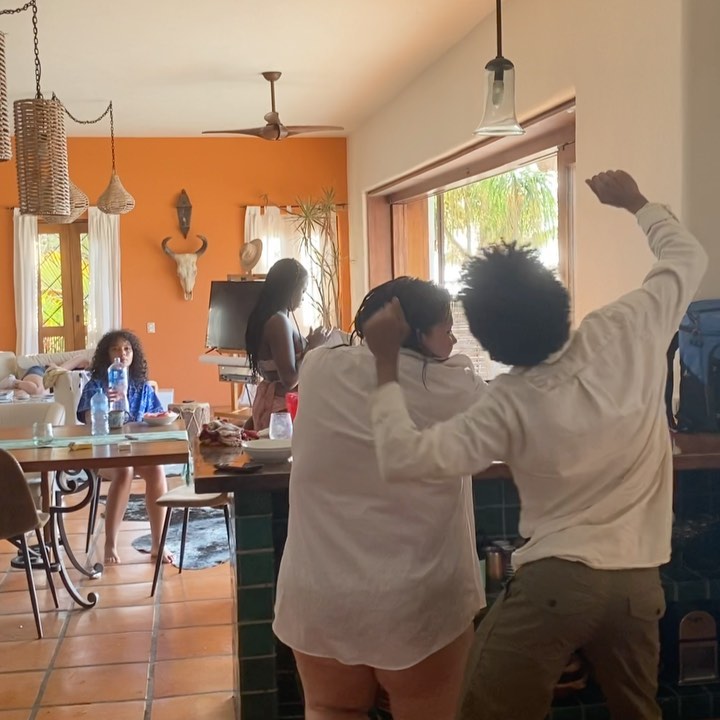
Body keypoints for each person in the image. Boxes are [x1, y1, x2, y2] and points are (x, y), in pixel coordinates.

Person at [362, 170, 708, 720]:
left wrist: (385, 366)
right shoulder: (627, 327)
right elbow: (687, 256)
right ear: (559, 300)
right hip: (640, 585)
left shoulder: (508, 401)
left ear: (489, 342)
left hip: (556, 585)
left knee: (483, 710)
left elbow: (404, 459)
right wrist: (636, 202)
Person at [273, 277, 486, 720]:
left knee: (331, 709)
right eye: (447, 330)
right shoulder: (453, 387)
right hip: (414, 603)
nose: (452, 341)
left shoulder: (319, 367)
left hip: (320, 594)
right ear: (417, 335)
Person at [76, 330, 169, 565]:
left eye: (127, 349)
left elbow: (157, 416)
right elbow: (87, 421)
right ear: (106, 354)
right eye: (116, 349)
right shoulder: (96, 386)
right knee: (124, 470)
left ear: (133, 354)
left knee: (157, 470)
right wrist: (104, 404)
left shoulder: (142, 387)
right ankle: (110, 543)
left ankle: (158, 543)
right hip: (103, 453)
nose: (122, 353)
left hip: (135, 450)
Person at [245, 258, 329, 430]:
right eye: (302, 291)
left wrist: (305, 344)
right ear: (290, 289)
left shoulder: (268, 318)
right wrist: (312, 347)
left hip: (274, 404)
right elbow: (289, 379)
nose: (303, 297)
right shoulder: (278, 321)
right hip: (282, 408)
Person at [0, 355, 90, 396]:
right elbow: (57, 370)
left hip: (51, 387)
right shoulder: (83, 360)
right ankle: (12, 381)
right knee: (39, 391)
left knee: (24, 395)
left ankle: (9, 389)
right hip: (43, 372)